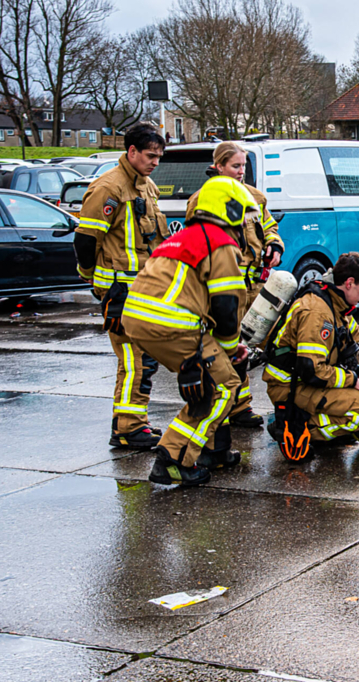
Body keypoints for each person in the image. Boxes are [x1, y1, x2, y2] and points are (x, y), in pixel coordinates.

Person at [122, 176, 258, 486]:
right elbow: (226, 306)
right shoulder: (220, 243)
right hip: (172, 323)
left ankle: (210, 451)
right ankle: (172, 459)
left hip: (140, 320)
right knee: (224, 386)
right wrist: (230, 346)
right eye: (246, 218)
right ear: (232, 210)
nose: (246, 226)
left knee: (207, 385)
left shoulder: (184, 236)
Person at [73, 122, 169, 449]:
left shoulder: (147, 187)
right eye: (150, 155)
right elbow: (86, 238)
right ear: (131, 152)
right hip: (120, 292)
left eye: (159, 156)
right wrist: (89, 273)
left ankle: (131, 423)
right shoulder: (109, 188)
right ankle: (128, 428)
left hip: (144, 289)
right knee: (134, 358)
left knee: (144, 358)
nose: (155, 161)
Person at [263, 252, 359, 456]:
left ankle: (334, 418)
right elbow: (311, 370)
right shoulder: (317, 313)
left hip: (304, 380)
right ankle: (297, 427)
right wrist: (352, 381)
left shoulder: (333, 301)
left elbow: (356, 335)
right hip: (290, 386)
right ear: (349, 283)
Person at [185, 141, 284, 429]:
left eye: (244, 166)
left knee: (251, 349)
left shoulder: (254, 197)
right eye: (234, 166)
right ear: (218, 166)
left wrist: (275, 246)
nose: (241, 172)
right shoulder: (201, 199)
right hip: (223, 288)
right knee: (227, 348)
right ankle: (232, 407)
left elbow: (269, 228)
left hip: (253, 287)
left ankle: (241, 406)